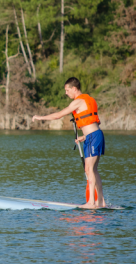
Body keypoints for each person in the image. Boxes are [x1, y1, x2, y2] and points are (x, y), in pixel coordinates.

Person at [32, 77, 106, 208]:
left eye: (67, 90)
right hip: (95, 135)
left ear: (74, 89)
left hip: (94, 137)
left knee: (89, 169)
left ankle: (91, 203)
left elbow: (58, 115)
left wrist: (40, 117)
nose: (66, 93)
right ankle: (100, 202)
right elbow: (93, 123)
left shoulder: (78, 102)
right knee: (93, 170)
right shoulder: (90, 99)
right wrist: (84, 136)